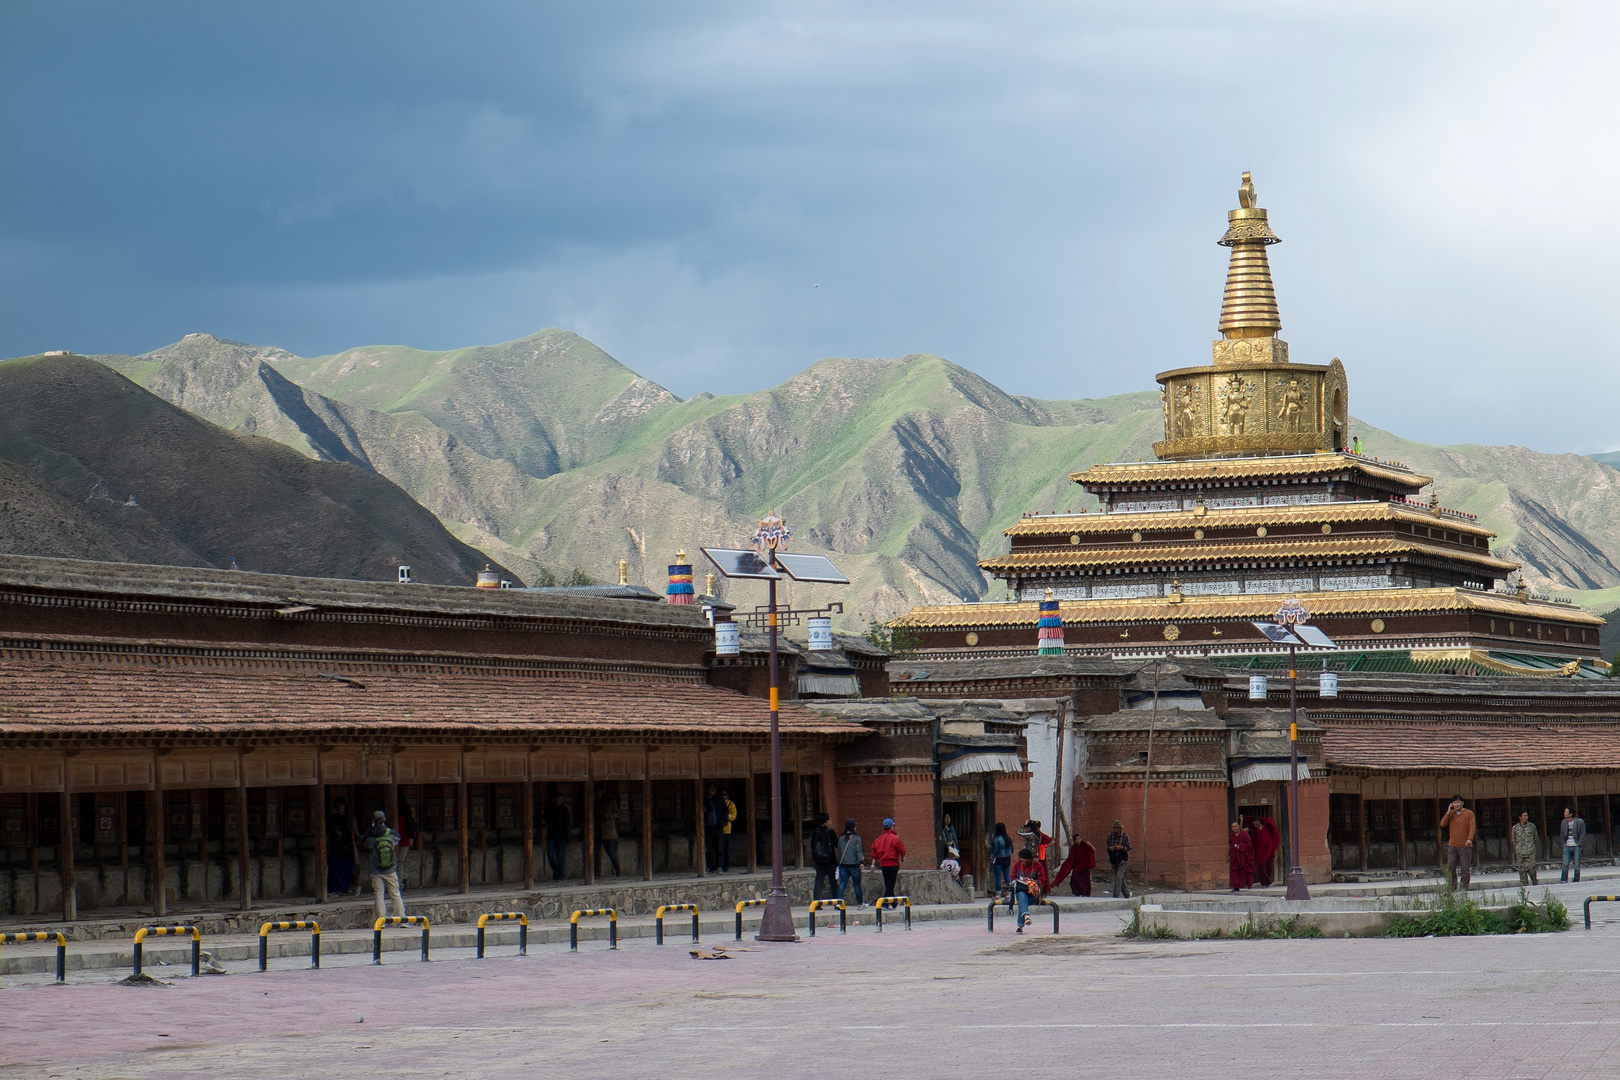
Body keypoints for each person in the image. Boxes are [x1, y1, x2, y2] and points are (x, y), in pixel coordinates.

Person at [364, 810, 406, 920]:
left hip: (375, 869)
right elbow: (397, 840)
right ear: (384, 820)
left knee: (379, 895)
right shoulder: (390, 833)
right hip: (390, 868)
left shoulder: (370, 834)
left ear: (373, 821)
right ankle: (402, 919)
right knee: (395, 894)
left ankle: (381, 920)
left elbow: (366, 845)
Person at [1439, 795, 1476, 891]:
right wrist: (1448, 812)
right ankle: (1452, 886)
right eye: (1454, 802)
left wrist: (1470, 839)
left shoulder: (1469, 813)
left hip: (1464, 844)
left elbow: (1472, 827)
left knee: (1465, 868)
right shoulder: (1451, 814)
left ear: (1462, 803)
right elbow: (1442, 824)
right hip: (1452, 844)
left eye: (1458, 802)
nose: (1457, 804)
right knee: (1450, 866)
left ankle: (1464, 887)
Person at [1009, 846, 1050, 932]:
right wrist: (1020, 881)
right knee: (1021, 895)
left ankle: (1020, 925)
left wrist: (1032, 883)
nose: (1024, 864)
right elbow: (1012, 878)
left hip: (1033, 894)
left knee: (1022, 900)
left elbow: (1042, 880)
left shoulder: (1038, 866)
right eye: (1022, 861)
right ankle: (1026, 916)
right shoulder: (1017, 864)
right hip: (1020, 891)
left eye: (1026, 862)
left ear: (1031, 859)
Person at [327, 796, 358, 896]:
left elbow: (354, 832)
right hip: (336, 847)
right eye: (336, 806)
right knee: (335, 869)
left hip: (347, 847)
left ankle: (345, 888)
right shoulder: (334, 818)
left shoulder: (350, 818)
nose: (338, 808)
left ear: (344, 806)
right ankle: (335, 888)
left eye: (340, 806)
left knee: (347, 869)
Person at [871, 818, 907, 899]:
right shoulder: (895, 838)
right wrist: (902, 856)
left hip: (883, 865)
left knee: (888, 884)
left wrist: (873, 865)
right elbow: (901, 849)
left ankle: (893, 903)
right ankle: (885, 903)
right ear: (891, 827)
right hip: (892, 864)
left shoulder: (878, 840)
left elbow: (874, 853)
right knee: (890, 886)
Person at [809, 812, 840, 900]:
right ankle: (836, 901)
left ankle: (816, 902)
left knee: (818, 882)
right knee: (833, 882)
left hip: (819, 861)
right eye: (829, 819)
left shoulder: (815, 832)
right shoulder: (831, 832)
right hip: (830, 861)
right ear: (826, 821)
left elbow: (812, 845)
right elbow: (837, 844)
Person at [594, 782, 621, 877]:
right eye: (596, 791)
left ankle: (617, 868)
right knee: (595, 852)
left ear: (602, 791)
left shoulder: (610, 801)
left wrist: (609, 816)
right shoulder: (594, 802)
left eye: (599, 791)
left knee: (611, 852)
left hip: (609, 831)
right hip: (597, 830)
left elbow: (618, 814)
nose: (597, 793)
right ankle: (597, 872)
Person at [836, 818, 865, 907]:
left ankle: (838, 902)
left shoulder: (841, 838)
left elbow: (839, 852)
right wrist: (861, 861)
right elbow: (858, 851)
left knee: (842, 884)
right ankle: (859, 903)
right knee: (857, 885)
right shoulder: (856, 838)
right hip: (854, 865)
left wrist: (838, 863)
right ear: (854, 827)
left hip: (843, 865)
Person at [544, 792, 571, 881]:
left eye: (561, 799)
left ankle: (560, 874)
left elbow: (567, 823)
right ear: (554, 800)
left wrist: (567, 836)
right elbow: (544, 817)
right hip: (552, 835)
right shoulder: (549, 809)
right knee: (550, 855)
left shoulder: (564, 809)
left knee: (560, 856)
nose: (560, 801)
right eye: (559, 799)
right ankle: (555, 870)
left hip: (561, 835)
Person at [1248, 817, 1280, 888]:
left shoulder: (1266, 826)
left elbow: (1272, 827)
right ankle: (1264, 883)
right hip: (1260, 851)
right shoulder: (1253, 830)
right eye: (1254, 825)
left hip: (1269, 849)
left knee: (1269, 866)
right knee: (1263, 868)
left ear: (1259, 821)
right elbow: (1244, 831)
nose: (1256, 826)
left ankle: (1267, 882)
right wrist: (1241, 820)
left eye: (1256, 824)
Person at [1512, 810, 1539, 886]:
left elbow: (1536, 838)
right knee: (1522, 870)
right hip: (1520, 852)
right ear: (1520, 817)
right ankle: (1524, 885)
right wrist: (1517, 848)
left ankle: (1534, 881)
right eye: (1524, 816)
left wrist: (1531, 847)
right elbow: (1514, 840)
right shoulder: (1515, 828)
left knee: (1531, 869)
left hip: (1530, 852)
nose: (1526, 817)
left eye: (1527, 816)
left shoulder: (1532, 827)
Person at [1560, 806, 1586, 883]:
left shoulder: (1580, 822)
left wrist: (1579, 843)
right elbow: (1562, 834)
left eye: (1566, 812)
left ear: (1571, 814)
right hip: (1567, 845)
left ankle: (1576, 879)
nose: (1564, 814)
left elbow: (1582, 833)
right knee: (1565, 864)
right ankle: (1564, 879)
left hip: (1576, 845)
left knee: (1577, 865)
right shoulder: (1563, 822)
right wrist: (1563, 843)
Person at [1106, 820, 1132, 898]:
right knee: (1120, 878)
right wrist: (1111, 848)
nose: (1115, 830)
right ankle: (1127, 894)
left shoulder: (1125, 836)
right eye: (1114, 828)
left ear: (1120, 828)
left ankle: (1116, 895)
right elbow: (1107, 846)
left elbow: (1129, 847)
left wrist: (1121, 847)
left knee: (1118, 877)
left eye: (1117, 828)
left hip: (1122, 859)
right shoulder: (1110, 835)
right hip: (1114, 858)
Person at [1228, 821, 1255, 892]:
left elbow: (1249, 845)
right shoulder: (1231, 836)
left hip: (1244, 855)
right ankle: (1236, 887)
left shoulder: (1245, 835)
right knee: (1235, 871)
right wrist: (1227, 855)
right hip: (1234, 856)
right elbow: (1230, 846)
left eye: (1235, 826)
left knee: (1244, 869)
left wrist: (1241, 846)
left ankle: (1247, 884)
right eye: (1232, 827)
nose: (1234, 828)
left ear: (1239, 827)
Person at [702, 784, 723, 872]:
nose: (712, 791)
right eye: (710, 789)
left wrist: (722, 823)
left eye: (713, 789)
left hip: (717, 827)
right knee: (709, 848)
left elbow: (724, 812)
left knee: (718, 848)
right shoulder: (704, 800)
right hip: (708, 827)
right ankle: (709, 866)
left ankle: (719, 866)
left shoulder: (718, 800)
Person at [990, 822, 1014, 898]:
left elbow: (995, 850)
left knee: (998, 877)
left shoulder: (997, 839)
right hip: (1007, 859)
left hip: (999, 859)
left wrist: (991, 849)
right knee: (1007, 876)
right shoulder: (1008, 839)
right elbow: (1012, 850)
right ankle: (1009, 893)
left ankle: (998, 893)